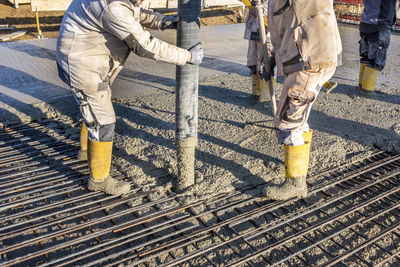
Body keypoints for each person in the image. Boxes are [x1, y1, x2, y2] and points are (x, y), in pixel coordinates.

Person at [56, 0, 204, 196]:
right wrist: (186, 56)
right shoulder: (113, 8)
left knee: (92, 108)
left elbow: (136, 13)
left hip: (84, 58)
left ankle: (86, 152)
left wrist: (163, 22)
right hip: (83, 66)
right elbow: (144, 46)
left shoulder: (119, 2)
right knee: (103, 120)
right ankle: (98, 180)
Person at [259, 0, 342, 200]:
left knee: (288, 119)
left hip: (310, 57)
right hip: (309, 55)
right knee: (298, 118)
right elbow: (285, 25)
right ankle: (297, 173)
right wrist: (275, 57)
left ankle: (296, 183)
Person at [358, 0, 398, 93]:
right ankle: (367, 90)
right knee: (375, 60)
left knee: (366, 57)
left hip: (365, 24)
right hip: (379, 26)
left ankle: (361, 86)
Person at [244, 0, 272, 103]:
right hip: (254, 30)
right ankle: (256, 93)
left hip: (267, 33)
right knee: (253, 61)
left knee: (266, 65)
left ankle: (266, 98)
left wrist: (258, 8)